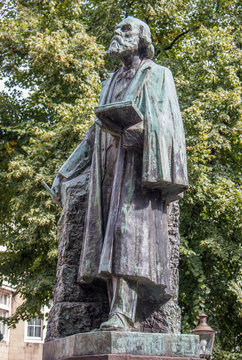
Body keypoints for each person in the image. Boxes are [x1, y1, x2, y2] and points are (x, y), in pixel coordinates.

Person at [52, 16, 188, 332]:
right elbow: (94, 133)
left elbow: (170, 125)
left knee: (127, 236)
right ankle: (114, 308)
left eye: (126, 29)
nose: (118, 32)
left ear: (143, 39)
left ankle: (123, 314)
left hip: (139, 170)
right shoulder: (110, 81)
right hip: (108, 170)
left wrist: (143, 133)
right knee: (109, 240)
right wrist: (65, 173)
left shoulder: (160, 76)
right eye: (117, 28)